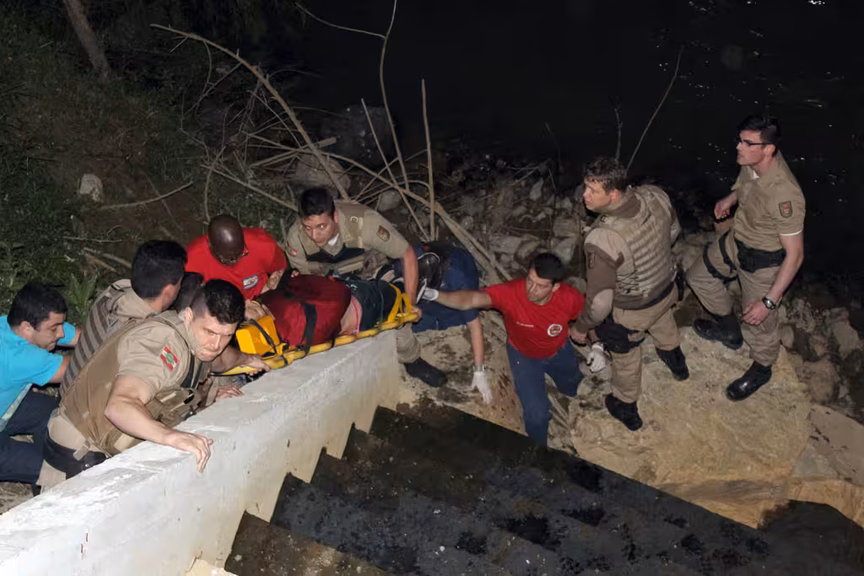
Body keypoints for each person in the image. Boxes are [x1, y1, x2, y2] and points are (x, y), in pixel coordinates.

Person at [41, 280, 269, 484]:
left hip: (111, 446)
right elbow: (119, 406)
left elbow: (221, 359)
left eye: (226, 335)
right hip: (81, 454)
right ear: (189, 316)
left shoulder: (199, 343)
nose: (216, 344)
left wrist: (249, 359)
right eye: (210, 332)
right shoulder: (162, 344)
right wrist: (172, 437)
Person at [686, 114, 805, 401]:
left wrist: (768, 301)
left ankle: (762, 368)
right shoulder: (751, 162)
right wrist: (730, 199)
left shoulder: (785, 195)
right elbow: (744, 185)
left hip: (763, 261)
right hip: (736, 240)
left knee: (760, 322)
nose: (738, 147)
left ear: (768, 149)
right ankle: (730, 331)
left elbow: (796, 255)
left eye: (747, 143)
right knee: (698, 277)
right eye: (739, 140)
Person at [569, 157, 688, 432]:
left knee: (625, 357)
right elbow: (674, 232)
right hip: (668, 288)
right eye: (585, 187)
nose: (584, 195)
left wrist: (582, 327)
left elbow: (600, 302)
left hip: (634, 310)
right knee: (662, 319)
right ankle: (675, 361)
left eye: (592, 190)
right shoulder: (655, 196)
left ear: (613, 194)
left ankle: (626, 405)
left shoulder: (603, 238)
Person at [285, 187, 446, 388]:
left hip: (371, 273)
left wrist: (410, 302)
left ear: (335, 217)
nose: (314, 235)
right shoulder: (296, 239)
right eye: (308, 227)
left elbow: (406, 253)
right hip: (331, 284)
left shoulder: (364, 222)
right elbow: (308, 282)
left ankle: (412, 360)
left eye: (321, 226)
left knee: (397, 310)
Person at [422, 253, 585, 446]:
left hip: (559, 350)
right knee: (536, 415)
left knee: (575, 387)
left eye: (540, 286)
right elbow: (471, 299)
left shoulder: (569, 298)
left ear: (555, 287)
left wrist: (596, 343)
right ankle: (538, 451)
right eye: (530, 281)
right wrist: (435, 295)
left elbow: (588, 316)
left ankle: (579, 418)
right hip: (524, 356)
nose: (531, 289)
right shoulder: (511, 293)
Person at [61, 240, 187, 395]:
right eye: (180, 283)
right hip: (78, 406)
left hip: (67, 388)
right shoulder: (143, 333)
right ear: (169, 290)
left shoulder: (116, 289)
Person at [0, 283, 78, 487]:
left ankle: (52, 449)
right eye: (54, 328)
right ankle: (46, 476)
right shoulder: (20, 358)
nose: (60, 333)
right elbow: (78, 367)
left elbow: (79, 336)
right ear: (27, 327)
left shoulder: (8, 326)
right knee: (54, 468)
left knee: (52, 410)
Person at [394, 242, 488, 400]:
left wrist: (479, 371)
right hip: (426, 296)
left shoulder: (459, 277)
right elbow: (394, 277)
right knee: (400, 318)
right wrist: (407, 299)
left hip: (451, 301)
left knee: (450, 319)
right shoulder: (408, 257)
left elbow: (475, 327)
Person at [186, 214, 287, 301]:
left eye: (241, 253)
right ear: (210, 245)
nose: (235, 260)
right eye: (228, 258)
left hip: (259, 299)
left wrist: (276, 279)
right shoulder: (192, 261)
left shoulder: (263, 245)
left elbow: (281, 270)